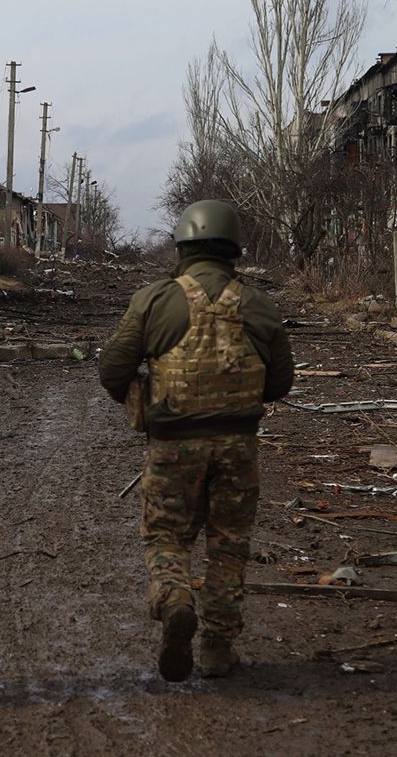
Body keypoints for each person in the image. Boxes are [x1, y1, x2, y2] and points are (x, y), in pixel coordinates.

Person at [97, 200, 294, 682]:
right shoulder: (258, 303)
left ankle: (175, 597)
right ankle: (217, 649)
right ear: (234, 250)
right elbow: (280, 383)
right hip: (237, 445)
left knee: (165, 535)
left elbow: (111, 368)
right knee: (229, 544)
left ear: (182, 245)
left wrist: (143, 394)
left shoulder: (154, 300)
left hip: (172, 445)